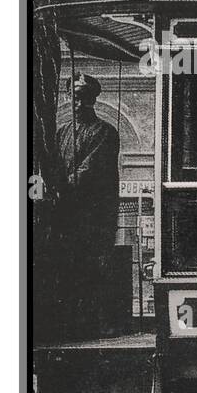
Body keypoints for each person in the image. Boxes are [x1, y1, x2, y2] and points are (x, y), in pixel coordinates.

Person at [54, 73, 120, 338]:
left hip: (94, 215)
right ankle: (73, 323)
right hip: (68, 214)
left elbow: (91, 168)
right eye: (74, 97)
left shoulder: (105, 132)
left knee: (95, 268)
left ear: (93, 99)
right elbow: (56, 166)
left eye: (83, 98)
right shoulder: (62, 133)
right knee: (70, 268)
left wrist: (64, 186)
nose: (78, 104)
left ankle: (100, 324)